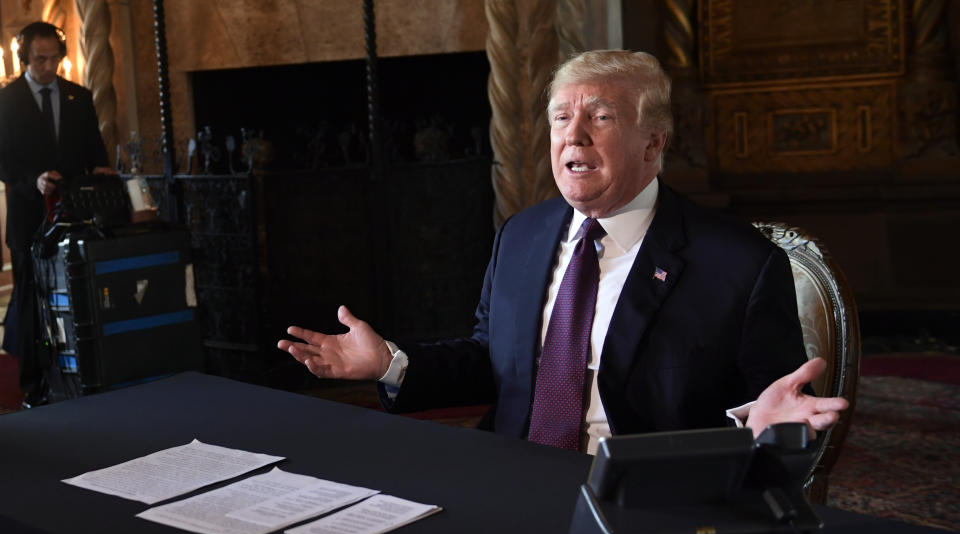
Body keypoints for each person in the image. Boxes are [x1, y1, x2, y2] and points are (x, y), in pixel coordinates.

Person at [278, 50, 848, 453]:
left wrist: (756, 424)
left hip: (646, 498)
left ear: (654, 142)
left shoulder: (740, 265)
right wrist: (388, 364)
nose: (573, 136)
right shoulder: (521, 236)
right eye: (560, 118)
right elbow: (493, 364)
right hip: (512, 482)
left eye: (600, 117)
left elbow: (781, 408)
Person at [0, 21, 111, 407]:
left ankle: (82, 377)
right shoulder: (6, 100)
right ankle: (34, 387)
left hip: (74, 216)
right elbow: (3, 163)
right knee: (32, 302)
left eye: (55, 58)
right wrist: (34, 181)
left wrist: (101, 172)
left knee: (78, 297)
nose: (49, 66)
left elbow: (96, 152)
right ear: (24, 58)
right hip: (28, 218)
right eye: (39, 59)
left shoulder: (78, 96)